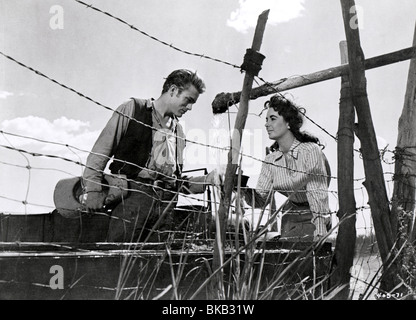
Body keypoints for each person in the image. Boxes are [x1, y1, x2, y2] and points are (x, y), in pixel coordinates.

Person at [82, 69, 219, 242]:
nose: (190, 108)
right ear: (173, 90)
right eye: (188, 100)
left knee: (156, 264)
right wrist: (93, 189)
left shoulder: (179, 132)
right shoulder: (133, 109)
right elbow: (100, 152)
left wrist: (208, 179)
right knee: (120, 258)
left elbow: (175, 182)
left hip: (165, 210)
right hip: (131, 201)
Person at [243, 94, 331, 241]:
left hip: (315, 215)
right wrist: (241, 188)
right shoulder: (271, 160)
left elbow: (317, 195)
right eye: (266, 120)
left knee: (310, 259)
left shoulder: (310, 151)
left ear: (288, 122)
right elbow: (260, 201)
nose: (266, 124)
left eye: (272, 119)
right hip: (290, 215)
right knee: (286, 258)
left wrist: (320, 233)